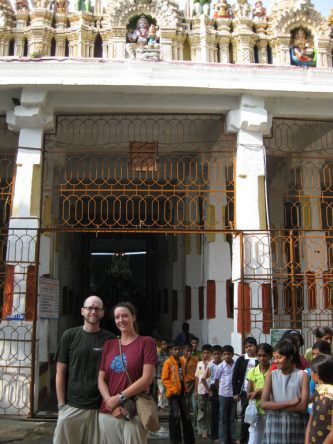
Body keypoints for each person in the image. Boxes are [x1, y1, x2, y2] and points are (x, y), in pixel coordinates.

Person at [53, 295, 114, 444]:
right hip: (72, 406)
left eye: (97, 308)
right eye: (90, 308)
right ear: (82, 311)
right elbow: (60, 372)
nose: (93, 311)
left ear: (102, 313)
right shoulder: (69, 335)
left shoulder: (110, 339)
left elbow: (114, 374)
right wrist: (62, 405)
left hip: (100, 408)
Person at [98, 301, 157, 444]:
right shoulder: (109, 345)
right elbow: (101, 379)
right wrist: (110, 403)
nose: (120, 320)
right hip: (109, 412)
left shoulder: (146, 342)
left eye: (125, 316)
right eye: (117, 317)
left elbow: (147, 378)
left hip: (134, 411)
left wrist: (119, 398)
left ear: (133, 317)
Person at [260, 340, 309, 444]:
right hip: (274, 422)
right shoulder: (271, 375)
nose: (275, 361)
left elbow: (303, 407)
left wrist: (274, 406)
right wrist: (288, 403)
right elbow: (263, 404)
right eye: (274, 358)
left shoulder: (302, 375)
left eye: (279, 357)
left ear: (290, 357)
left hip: (296, 424)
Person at [161, 342, 195, 444]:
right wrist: (173, 389)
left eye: (179, 349)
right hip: (173, 394)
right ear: (170, 350)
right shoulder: (167, 362)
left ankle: (189, 440)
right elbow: (164, 379)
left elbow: (183, 376)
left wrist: (185, 388)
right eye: (175, 349)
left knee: (186, 416)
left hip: (182, 392)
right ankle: (176, 440)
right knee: (175, 416)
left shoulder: (181, 361)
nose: (177, 351)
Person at [232, 336, 258, 444]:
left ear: (255, 346)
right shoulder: (241, 359)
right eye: (246, 347)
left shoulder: (259, 358)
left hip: (258, 392)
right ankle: (243, 438)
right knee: (245, 415)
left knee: (257, 415)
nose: (249, 348)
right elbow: (235, 377)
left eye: (251, 346)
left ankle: (254, 438)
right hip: (245, 392)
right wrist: (235, 392)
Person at [246, 343, 273, 444]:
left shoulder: (274, 371)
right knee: (253, 440)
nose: (262, 358)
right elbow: (248, 395)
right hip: (256, 412)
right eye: (259, 355)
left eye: (265, 355)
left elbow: (275, 394)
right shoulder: (252, 372)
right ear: (256, 355)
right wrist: (260, 392)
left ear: (270, 356)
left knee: (268, 439)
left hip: (270, 411)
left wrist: (258, 391)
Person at [305, 354, 333, 444]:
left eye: (311, 371)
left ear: (317, 374)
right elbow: (312, 418)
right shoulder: (318, 390)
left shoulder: (326, 393)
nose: (310, 373)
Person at [215, 345, 237, 444]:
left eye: (229, 354)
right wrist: (220, 389)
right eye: (225, 354)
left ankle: (233, 437)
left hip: (234, 394)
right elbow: (216, 380)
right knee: (223, 417)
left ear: (232, 354)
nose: (227, 356)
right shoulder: (220, 366)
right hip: (223, 394)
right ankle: (223, 439)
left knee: (232, 417)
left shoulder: (236, 365)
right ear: (222, 356)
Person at [204, 344, 223, 443]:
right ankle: (214, 436)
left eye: (218, 354)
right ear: (212, 355)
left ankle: (222, 434)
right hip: (214, 389)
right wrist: (209, 390)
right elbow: (203, 379)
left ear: (222, 354)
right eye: (214, 354)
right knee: (214, 413)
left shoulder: (224, 363)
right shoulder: (210, 365)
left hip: (223, 389)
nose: (216, 356)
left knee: (222, 413)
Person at [195, 343, 213, 439]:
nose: (205, 355)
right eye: (204, 353)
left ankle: (210, 429)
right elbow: (197, 378)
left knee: (210, 411)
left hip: (210, 390)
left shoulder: (213, 363)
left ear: (211, 354)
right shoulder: (199, 364)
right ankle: (202, 430)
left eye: (208, 353)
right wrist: (195, 391)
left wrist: (207, 365)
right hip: (201, 390)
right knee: (201, 411)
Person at [180, 343, 198, 418]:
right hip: (184, 384)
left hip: (193, 383)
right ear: (183, 351)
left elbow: (197, 374)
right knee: (186, 405)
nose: (189, 353)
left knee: (195, 405)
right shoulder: (180, 360)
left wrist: (196, 387)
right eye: (187, 351)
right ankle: (186, 423)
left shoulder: (195, 360)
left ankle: (196, 425)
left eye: (190, 351)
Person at [156, 338, 169, 409]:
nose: (164, 345)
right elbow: (155, 365)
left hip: (168, 375)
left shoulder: (169, 354)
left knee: (166, 390)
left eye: (165, 344)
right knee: (161, 390)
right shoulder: (157, 355)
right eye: (162, 344)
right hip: (159, 375)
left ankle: (166, 404)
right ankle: (160, 404)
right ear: (160, 345)